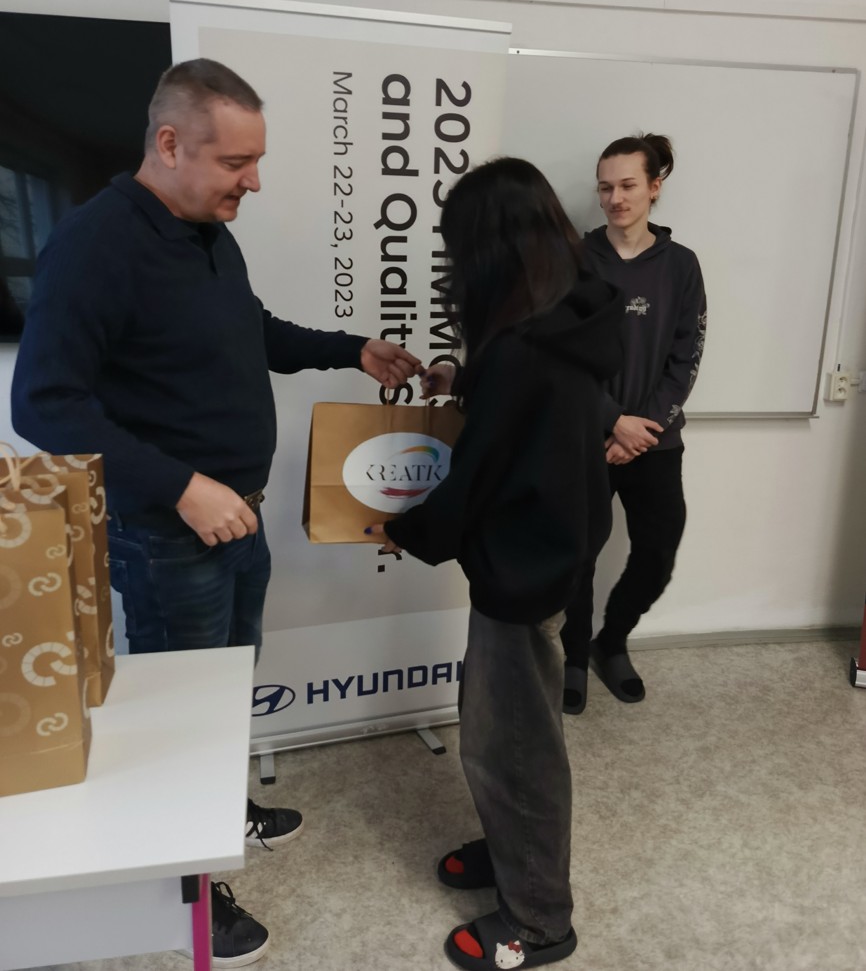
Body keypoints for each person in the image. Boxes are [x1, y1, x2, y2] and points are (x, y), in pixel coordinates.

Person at [11, 58, 421, 966]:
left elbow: (252, 331)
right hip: (170, 534)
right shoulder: (95, 242)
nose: (255, 181)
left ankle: (219, 809)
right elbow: (42, 403)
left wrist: (351, 348)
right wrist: (182, 486)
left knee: (224, 697)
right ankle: (189, 893)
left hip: (237, 519)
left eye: (256, 159)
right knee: (177, 724)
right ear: (170, 143)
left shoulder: (205, 233)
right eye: (238, 161)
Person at [368, 157, 623, 970]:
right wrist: (467, 377)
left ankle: (539, 917)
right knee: (500, 722)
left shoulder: (521, 348)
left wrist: (402, 530)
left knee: (512, 744)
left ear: (487, 250)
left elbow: (476, 473)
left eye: (456, 248)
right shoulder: (572, 313)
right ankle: (514, 849)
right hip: (556, 546)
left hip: (523, 565)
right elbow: (523, 408)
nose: (453, 265)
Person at [560, 133, 707, 714]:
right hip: (582, 436)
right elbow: (559, 355)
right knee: (575, 556)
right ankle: (573, 656)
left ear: (654, 187)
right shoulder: (573, 259)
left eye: (627, 185)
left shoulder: (682, 265)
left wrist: (640, 428)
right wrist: (610, 419)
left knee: (658, 553)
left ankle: (611, 641)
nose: (615, 198)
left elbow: (686, 356)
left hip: (655, 441)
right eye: (605, 187)